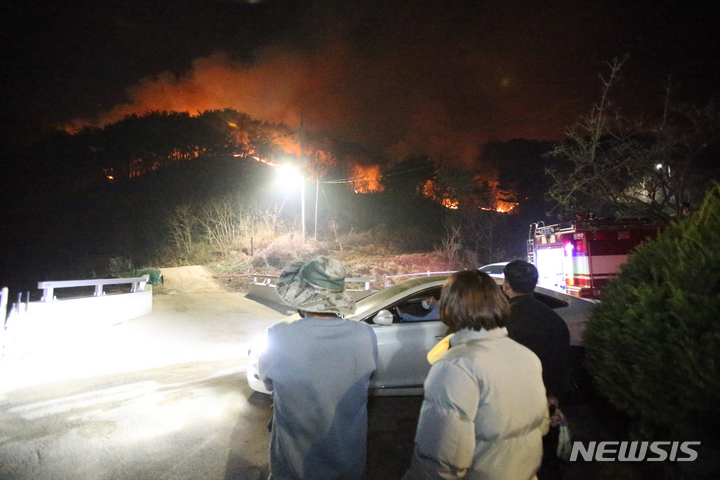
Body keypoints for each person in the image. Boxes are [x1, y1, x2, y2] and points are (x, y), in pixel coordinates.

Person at [402, 270, 549, 480]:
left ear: (451, 306)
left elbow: (441, 460)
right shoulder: (526, 356)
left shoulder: (455, 366)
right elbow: (541, 425)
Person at [257, 256, 378, 480]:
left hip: (293, 467)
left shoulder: (279, 335)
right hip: (347, 463)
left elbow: (266, 380)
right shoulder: (365, 334)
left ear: (302, 296)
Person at [502, 260, 572, 480]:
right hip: (548, 406)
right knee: (549, 465)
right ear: (535, 283)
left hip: (518, 410)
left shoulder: (505, 322)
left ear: (506, 285)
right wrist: (555, 399)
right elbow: (564, 365)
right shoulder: (555, 319)